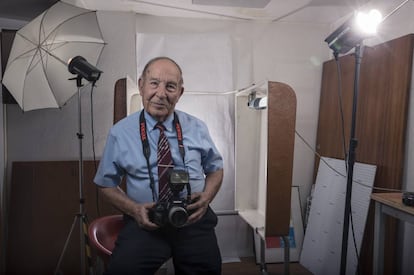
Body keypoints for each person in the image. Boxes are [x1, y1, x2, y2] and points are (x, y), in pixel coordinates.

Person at [94, 56, 224, 275]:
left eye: (170, 86)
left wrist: (207, 197)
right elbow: (105, 184)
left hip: (192, 218)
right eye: (154, 83)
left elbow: (215, 169)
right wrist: (134, 210)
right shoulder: (120, 132)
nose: (161, 93)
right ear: (141, 85)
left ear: (180, 93)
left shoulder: (197, 127)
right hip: (146, 223)